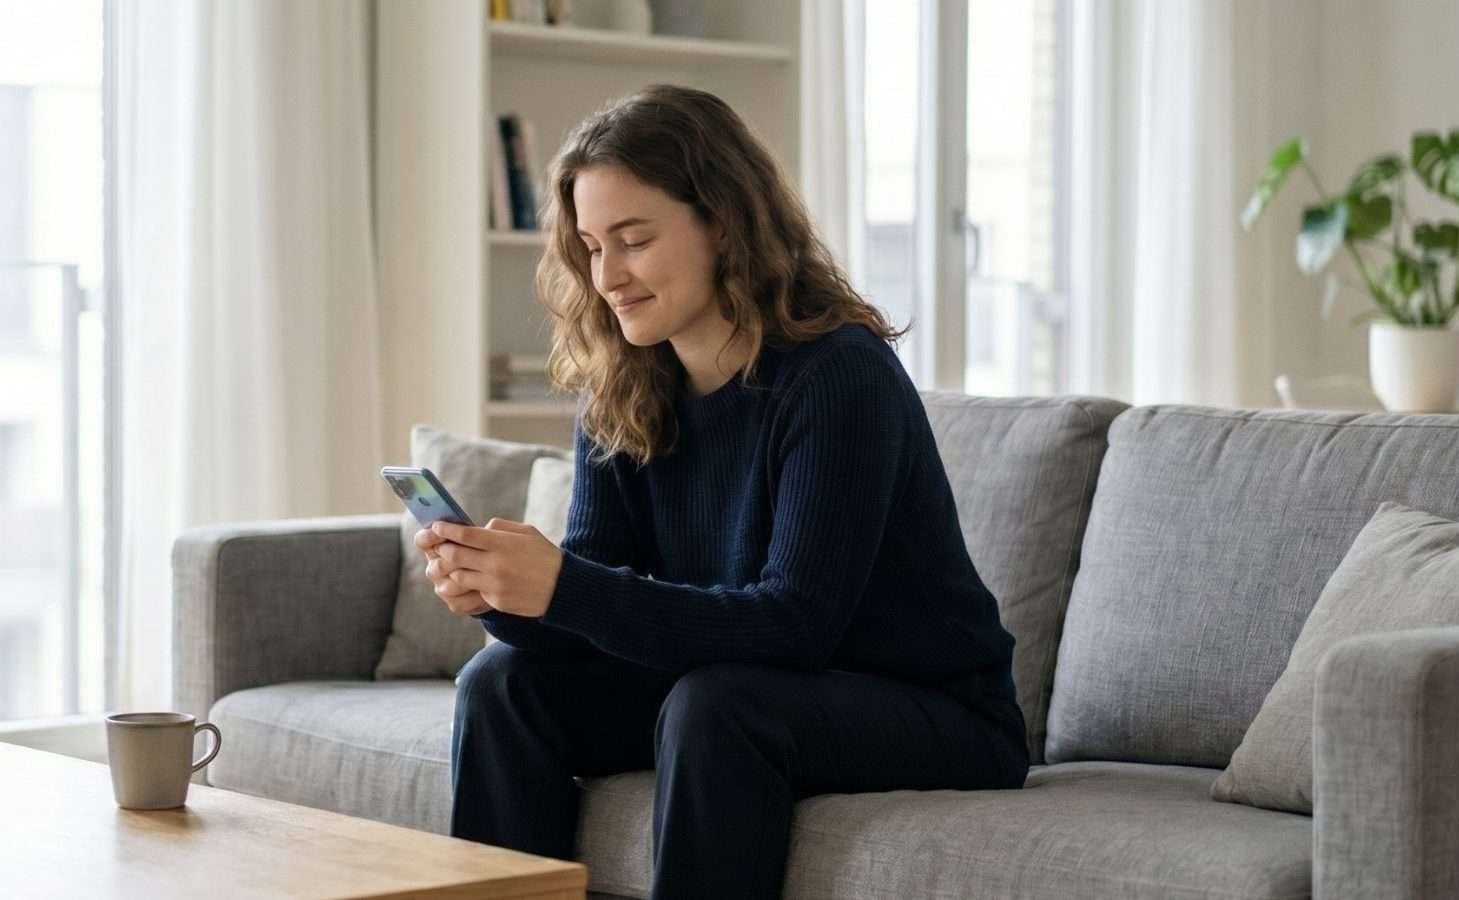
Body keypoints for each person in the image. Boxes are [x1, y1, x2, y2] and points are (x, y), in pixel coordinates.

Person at [415, 83, 1027, 900]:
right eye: (593, 247)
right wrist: (506, 594)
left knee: (720, 706)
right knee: (502, 683)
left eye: (633, 240)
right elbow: (595, 610)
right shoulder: (622, 386)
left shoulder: (839, 374)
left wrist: (566, 587)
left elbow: (797, 623)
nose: (608, 276)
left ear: (723, 224)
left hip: (933, 710)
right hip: (742, 686)